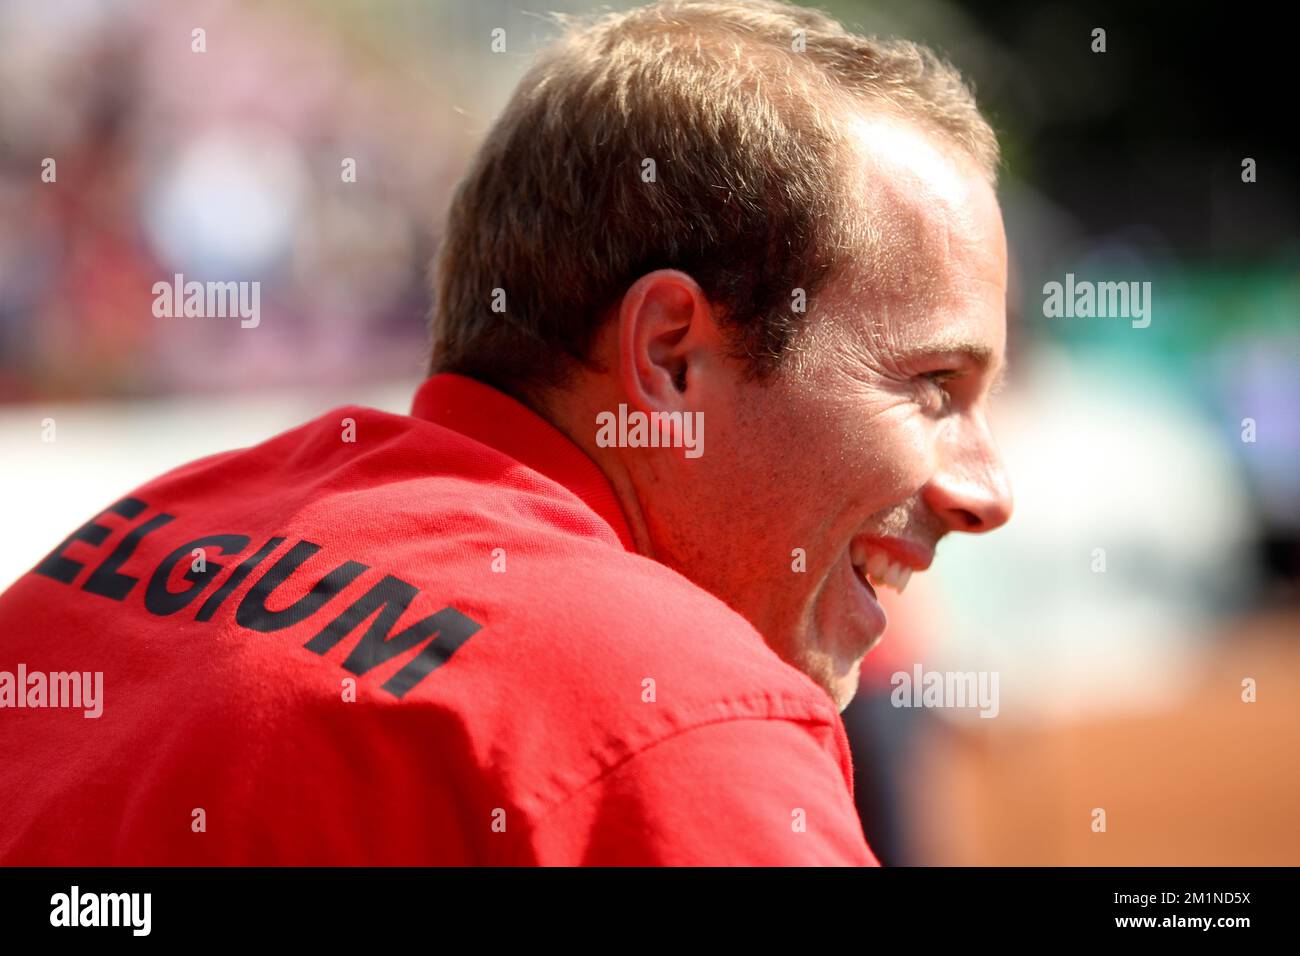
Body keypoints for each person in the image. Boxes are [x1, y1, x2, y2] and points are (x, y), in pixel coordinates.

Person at [0, 0, 1011, 865]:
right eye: (931, 384)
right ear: (668, 356)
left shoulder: (118, 546)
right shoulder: (683, 728)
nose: (987, 489)